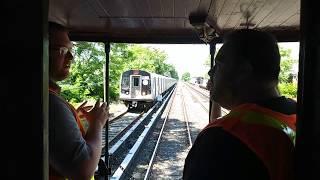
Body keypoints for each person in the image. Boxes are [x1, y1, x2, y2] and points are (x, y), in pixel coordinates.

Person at [183, 29, 296, 180]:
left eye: (218, 65)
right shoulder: (296, 113)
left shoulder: (221, 141)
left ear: (243, 70)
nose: (210, 72)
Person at [49, 21, 109, 180]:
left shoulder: (51, 100)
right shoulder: (52, 105)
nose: (71, 57)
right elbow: (83, 170)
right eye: (61, 50)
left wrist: (71, 116)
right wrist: (97, 124)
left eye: (70, 50)